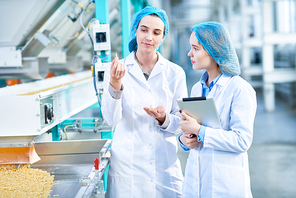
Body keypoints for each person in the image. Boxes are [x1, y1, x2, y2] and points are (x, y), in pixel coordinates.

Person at [101, 6, 187, 198]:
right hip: (127, 167)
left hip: (164, 165)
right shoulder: (116, 70)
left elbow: (181, 123)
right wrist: (115, 84)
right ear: (136, 31)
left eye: (156, 32)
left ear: (163, 37)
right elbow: (110, 120)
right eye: (144, 30)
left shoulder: (175, 73)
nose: (149, 37)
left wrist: (164, 118)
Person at [178, 21, 257, 198]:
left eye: (195, 48)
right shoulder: (197, 89)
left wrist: (199, 130)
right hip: (196, 183)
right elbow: (194, 135)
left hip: (225, 186)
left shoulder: (239, 89)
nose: (189, 53)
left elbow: (242, 140)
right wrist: (185, 139)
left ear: (213, 50)